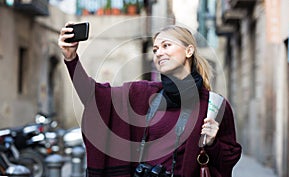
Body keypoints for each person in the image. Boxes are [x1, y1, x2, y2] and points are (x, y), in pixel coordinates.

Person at [58, 23, 242, 177]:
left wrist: (211, 144)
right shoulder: (144, 94)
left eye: (166, 46)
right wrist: (71, 58)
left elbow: (228, 162)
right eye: (155, 49)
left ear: (189, 51)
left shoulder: (214, 106)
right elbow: (93, 95)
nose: (159, 53)